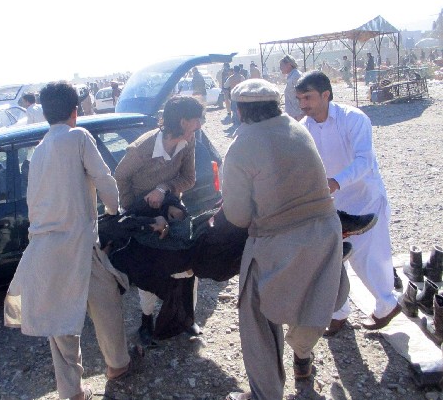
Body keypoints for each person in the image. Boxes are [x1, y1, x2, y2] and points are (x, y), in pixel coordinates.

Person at [4, 82, 134, 400]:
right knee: (105, 303)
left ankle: (71, 391)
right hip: (79, 242)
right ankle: (117, 364)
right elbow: (105, 180)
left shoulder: (40, 149)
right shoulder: (78, 137)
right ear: (75, 112)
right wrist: (112, 213)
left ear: (45, 112)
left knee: (59, 319)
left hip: (44, 247)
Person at [222, 79, 344, 400]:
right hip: (325, 235)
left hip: (277, 243)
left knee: (255, 314)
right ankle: (303, 362)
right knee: (311, 302)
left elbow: (237, 216)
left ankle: (266, 394)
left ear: (239, 110)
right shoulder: (297, 128)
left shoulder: (241, 146)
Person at [295, 71, 401, 337]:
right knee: (333, 258)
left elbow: (365, 161)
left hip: (366, 198)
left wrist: (336, 182)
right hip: (333, 203)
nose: (303, 104)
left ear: (326, 95)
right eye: (299, 98)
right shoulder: (304, 127)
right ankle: (338, 313)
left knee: (370, 258)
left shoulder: (354, 119)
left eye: (307, 97)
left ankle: (387, 306)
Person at [114, 95, 204, 344]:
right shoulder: (142, 148)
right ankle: (146, 322)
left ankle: (187, 319)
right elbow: (120, 176)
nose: (200, 125)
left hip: (173, 206)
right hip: (142, 212)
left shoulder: (189, 141)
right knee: (149, 269)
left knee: (186, 266)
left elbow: (189, 179)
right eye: (196, 120)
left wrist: (163, 188)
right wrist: (135, 211)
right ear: (183, 121)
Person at [279, 54, 304, 120]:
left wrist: (301, 114)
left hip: (297, 115)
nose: (280, 68)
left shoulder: (296, 76)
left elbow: (302, 95)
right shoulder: (291, 76)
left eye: (282, 65)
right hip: (292, 114)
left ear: (289, 65)